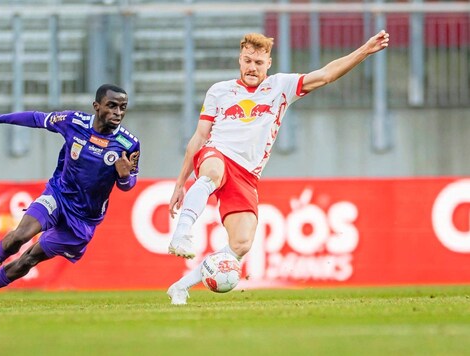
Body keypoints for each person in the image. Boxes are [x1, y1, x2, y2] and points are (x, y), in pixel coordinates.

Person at [166, 30, 390, 305]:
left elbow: (326, 74)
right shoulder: (219, 91)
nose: (252, 67)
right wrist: (180, 184)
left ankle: (181, 287)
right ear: (240, 59)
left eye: (258, 63)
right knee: (211, 170)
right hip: (218, 154)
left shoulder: (281, 86)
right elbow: (199, 138)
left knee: (241, 244)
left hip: (247, 174)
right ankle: (182, 234)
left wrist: (364, 50)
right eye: (247, 60)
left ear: (268, 64)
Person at [0, 84, 140, 309]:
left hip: (84, 220)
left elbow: (128, 185)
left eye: (123, 107)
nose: (118, 113)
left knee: (28, 259)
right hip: (58, 196)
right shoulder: (74, 122)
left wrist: (124, 177)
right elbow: (38, 118)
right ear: (96, 106)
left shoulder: (128, 144)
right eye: (112, 106)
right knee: (20, 235)